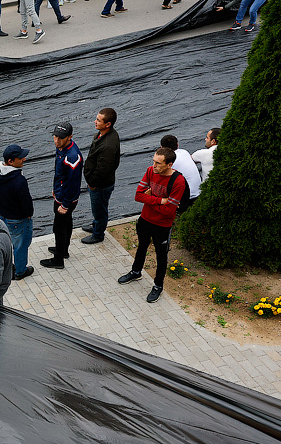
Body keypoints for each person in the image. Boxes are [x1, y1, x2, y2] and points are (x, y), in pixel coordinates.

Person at [118, 147, 186, 304]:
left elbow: (169, 211)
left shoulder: (178, 182)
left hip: (162, 226)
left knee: (161, 256)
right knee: (141, 247)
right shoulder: (150, 171)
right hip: (145, 219)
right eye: (154, 161)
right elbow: (137, 196)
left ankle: (158, 286)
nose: (154, 166)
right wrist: (160, 200)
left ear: (169, 165)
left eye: (158, 163)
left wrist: (149, 199)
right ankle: (136, 272)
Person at [40, 122, 82, 270]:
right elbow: (60, 174)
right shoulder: (62, 148)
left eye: (61, 138)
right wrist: (55, 188)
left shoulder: (72, 156)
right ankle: (63, 250)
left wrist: (65, 204)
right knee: (66, 223)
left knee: (59, 228)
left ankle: (58, 259)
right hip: (61, 194)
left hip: (66, 199)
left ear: (70, 137)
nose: (57, 140)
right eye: (55, 136)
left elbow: (73, 183)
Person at [0, 144, 34, 280]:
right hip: (18, 219)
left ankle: (5, 267)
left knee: (5, 243)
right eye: (20, 158)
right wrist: (29, 214)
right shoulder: (19, 181)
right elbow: (26, 204)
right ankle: (20, 271)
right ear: (10, 161)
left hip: (2, 215)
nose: (24, 159)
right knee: (20, 245)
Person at [81, 107, 120, 244]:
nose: (95, 122)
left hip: (100, 185)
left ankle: (98, 234)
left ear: (108, 124)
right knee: (98, 208)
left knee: (100, 209)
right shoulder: (102, 134)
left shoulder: (108, 145)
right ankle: (96, 225)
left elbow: (104, 169)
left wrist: (92, 183)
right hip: (99, 183)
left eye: (98, 120)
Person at [160, 134, 200, 208]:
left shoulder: (169, 160)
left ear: (162, 148)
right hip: (199, 193)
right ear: (177, 144)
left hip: (188, 199)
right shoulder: (184, 152)